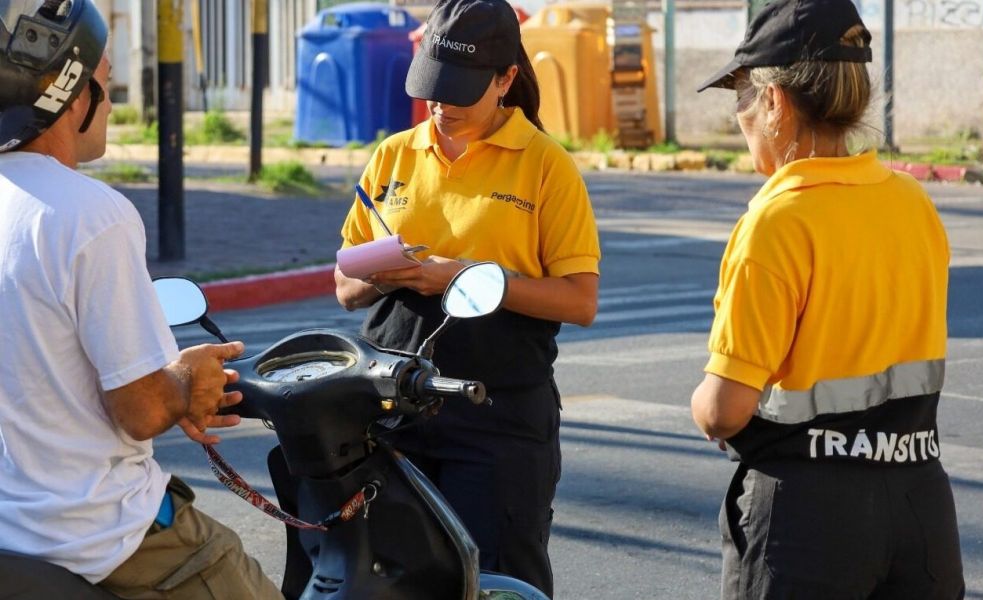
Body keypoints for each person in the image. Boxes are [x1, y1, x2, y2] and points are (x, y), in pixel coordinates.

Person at [0, 1, 282, 598]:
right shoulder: (88, 215)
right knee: (229, 561)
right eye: (105, 77)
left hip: (10, 536)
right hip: (95, 537)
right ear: (73, 92)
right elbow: (142, 410)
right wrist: (187, 376)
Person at [690, 0, 964, 597]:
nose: (739, 118)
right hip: (921, 505)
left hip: (806, 522)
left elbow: (723, 411)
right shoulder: (911, 202)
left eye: (741, 97)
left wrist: (703, 405)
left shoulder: (778, 220)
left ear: (774, 102)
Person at [331, 0, 600, 594]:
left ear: (505, 79)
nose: (440, 106)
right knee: (393, 579)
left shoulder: (546, 168)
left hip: (495, 417)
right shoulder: (394, 154)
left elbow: (580, 302)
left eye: (457, 92)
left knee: (495, 580)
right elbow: (346, 286)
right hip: (391, 409)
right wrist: (387, 266)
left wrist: (466, 276)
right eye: (431, 90)